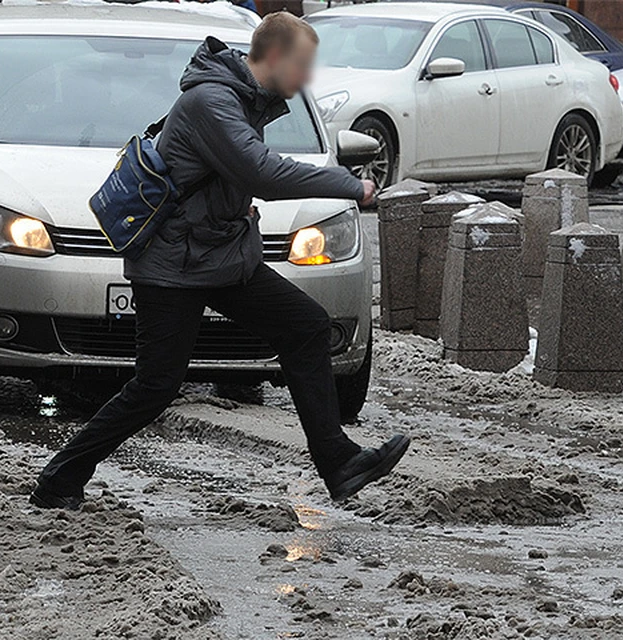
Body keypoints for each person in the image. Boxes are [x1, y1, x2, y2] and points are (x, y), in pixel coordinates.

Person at [30, 13, 410, 511]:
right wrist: (349, 185)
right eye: (300, 65)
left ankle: (339, 462)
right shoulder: (211, 101)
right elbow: (263, 173)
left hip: (220, 256)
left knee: (306, 327)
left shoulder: (245, 101)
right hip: (174, 267)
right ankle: (59, 478)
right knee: (155, 386)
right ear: (272, 58)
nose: (305, 78)